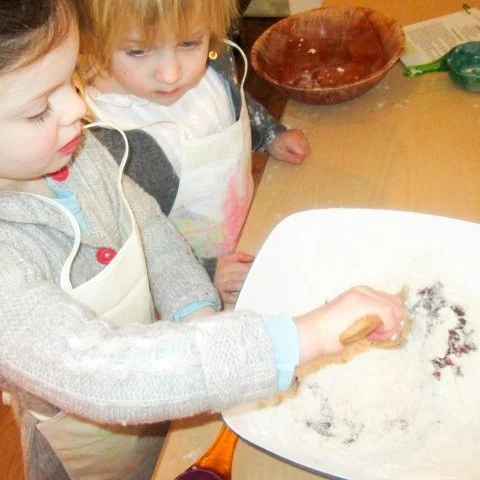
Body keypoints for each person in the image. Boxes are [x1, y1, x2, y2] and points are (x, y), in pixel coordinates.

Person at [0, 1, 408, 479]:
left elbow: (149, 226)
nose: (77, 107)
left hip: (172, 389)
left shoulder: (75, 154)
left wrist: (198, 311)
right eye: (36, 110)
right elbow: (101, 373)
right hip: (89, 453)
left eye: (69, 81)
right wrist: (310, 335)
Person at [79, 0, 311, 304]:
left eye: (189, 42)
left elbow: (231, 104)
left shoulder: (214, 63)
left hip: (247, 227)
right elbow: (140, 246)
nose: (172, 74)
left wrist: (268, 133)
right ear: (92, 40)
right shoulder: (110, 141)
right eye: (138, 51)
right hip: (190, 282)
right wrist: (206, 271)